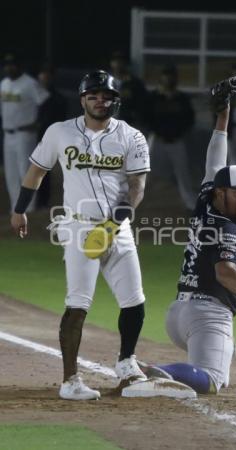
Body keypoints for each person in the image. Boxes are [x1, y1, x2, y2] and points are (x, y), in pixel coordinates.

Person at [139, 79, 236, 394]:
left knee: (228, 348)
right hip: (206, 315)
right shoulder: (228, 228)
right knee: (213, 380)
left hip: (178, 315)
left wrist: (222, 119)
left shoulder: (206, 202)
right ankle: (147, 370)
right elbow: (225, 272)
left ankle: (190, 361)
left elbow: (215, 162)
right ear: (223, 193)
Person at [11, 70, 151, 400]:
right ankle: (70, 380)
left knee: (135, 301)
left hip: (117, 227)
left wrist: (116, 221)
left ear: (116, 100)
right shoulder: (60, 132)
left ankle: (127, 362)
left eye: (107, 95)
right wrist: (20, 209)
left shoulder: (132, 136)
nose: (101, 100)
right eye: (94, 95)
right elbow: (36, 170)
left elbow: (137, 185)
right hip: (77, 226)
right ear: (82, 99)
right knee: (78, 304)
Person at [0, 53, 49, 211]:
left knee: (25, 172)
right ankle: (16, 209)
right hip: (8, 134)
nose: (9, 67)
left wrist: (39, 123)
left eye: (13, 64)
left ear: (20, 66)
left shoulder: (29, 83)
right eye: (7, 64)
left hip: (25, 133)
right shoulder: (4, 83)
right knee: (11, 175)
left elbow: (46, 102)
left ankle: (29, 209)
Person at [147, 64, 197, 211]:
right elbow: (146, 116)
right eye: (166, 76)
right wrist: (155, 131)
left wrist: (181, 133)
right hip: (157, 140)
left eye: (171, 76)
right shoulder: (154, 97)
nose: (168, 79)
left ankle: (191, 204)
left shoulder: (182, 98)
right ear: (161, 79)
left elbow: (190, 119)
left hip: (176, 141)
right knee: (141, 171)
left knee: (183, 173)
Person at [36, 63, 68, 208]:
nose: (45, 77)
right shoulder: (33, 93)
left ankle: (42, 201)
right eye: (43, 73)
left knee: (43, 172)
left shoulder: (58, 98)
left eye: (48, 74)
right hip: (31, 135)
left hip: (47, 138)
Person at [109, 51, 148, 132]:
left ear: (125, 64)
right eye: (115, 61)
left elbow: (142, 104)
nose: (118, 64)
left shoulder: (134, 83)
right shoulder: (106, 82)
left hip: (128, 125)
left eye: (120, 61)